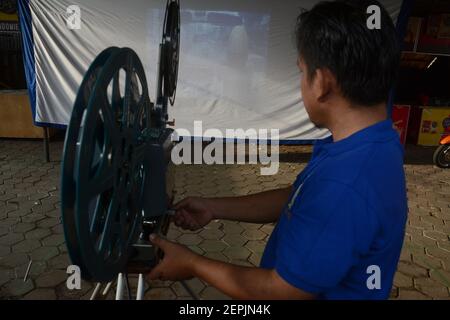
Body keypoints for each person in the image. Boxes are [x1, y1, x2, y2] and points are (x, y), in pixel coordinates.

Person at [147, 0, 407, 300]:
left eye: (302, 71)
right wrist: (215, 207)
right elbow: (300, 198)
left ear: (321, 82)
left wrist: (192, 264)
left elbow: (281, 291)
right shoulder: (370, 144)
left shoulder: (345, 182)